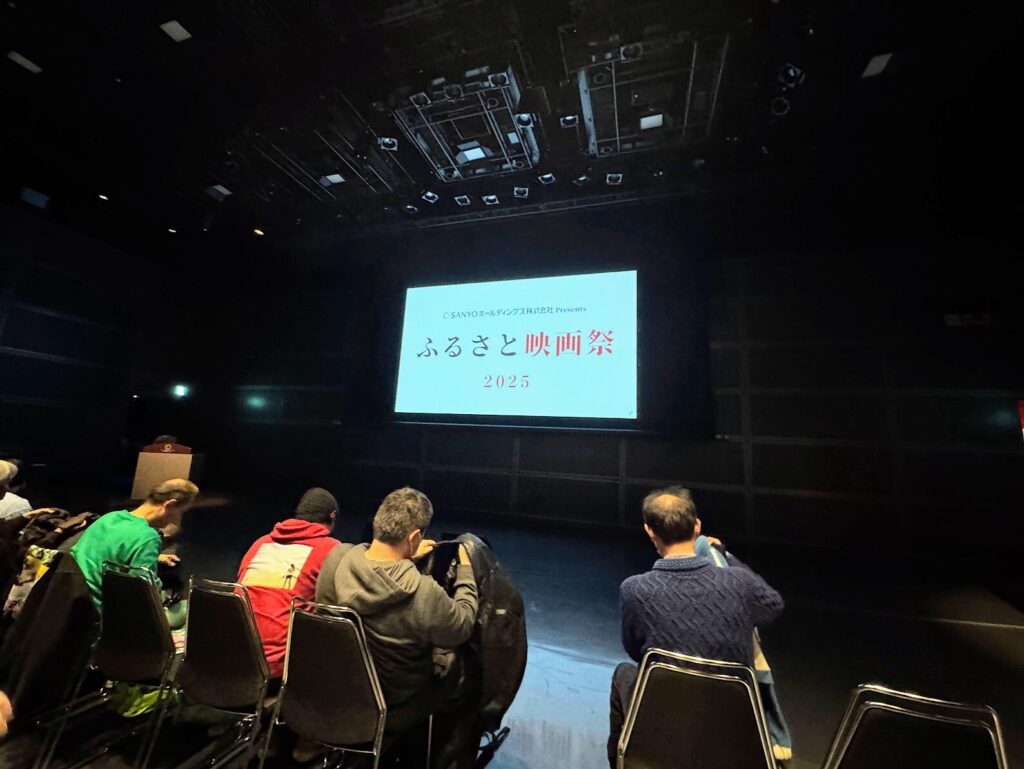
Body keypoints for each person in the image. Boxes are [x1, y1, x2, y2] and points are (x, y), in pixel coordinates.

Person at [608, 486, 784, 768]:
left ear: (649, 531)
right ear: (697, 526)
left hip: (668, 711)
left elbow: (634, 650)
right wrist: (725, 556)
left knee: (623, 673)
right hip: (731, 717)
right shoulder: (739, 582)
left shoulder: (635, 589)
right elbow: (772, 605)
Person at [322, 487, 478, 734]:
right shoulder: (424, 592)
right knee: (458, 658)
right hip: (396, 701)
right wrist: (467, 570)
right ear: (414, 537)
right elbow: (462, 626)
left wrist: (407, 559)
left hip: (340, 687)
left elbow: (376, 572)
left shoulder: (337, 559)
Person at [237, 488, 343, 679]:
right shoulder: (331, 548)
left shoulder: (260, 543)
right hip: (278, 665)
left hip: (231, 652)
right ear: (332, 516)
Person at [70, 479, 198, 613]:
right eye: (182, 512)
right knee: (185, 610)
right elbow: (143, 593)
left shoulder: (109, 518)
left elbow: (106, 553)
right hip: (102, 613)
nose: (178, 518)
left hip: (74, 601)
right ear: (170, 504)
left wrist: (156, 557)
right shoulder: (147, 537)